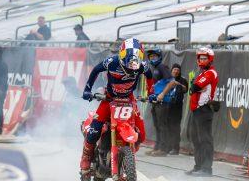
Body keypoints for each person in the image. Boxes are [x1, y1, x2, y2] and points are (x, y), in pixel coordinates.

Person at [80, 38, 153, 173]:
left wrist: (151, 93)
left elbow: (149, 75)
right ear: (122, 55)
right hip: (109, 99)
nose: (132, 64)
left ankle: (126, 157)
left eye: (137, 58)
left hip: (129, 101)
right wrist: (87, 89)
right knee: (94, 130)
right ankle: (86, 155)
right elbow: (96, 70)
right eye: (130, 59)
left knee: (141, 135)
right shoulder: (112, 62)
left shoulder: (143, 65)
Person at [186, 47, 218, 176]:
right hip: (196, 110)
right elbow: (191, 89)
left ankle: (206, 168)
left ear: (210, 59)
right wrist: (194, 87)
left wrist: (194, 87)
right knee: (196, 138)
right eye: (200, 58)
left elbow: (195, 86)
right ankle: (198, 166)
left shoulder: (211, 73)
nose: (202, 60)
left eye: (204, 58)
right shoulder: (201, 73)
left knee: (205, 139)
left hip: (204, 109)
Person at [153, 63, 188, 155]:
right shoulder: (165, 80)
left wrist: (177, 84)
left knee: (175, 127)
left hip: (176, 108)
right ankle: (166, 147)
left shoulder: (182, 80)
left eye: (177, 70)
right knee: (166, 127)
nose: (176, 71)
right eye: (174, 69)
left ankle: (175, 148)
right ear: (171, 70)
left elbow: (185, 90)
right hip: (166, 106)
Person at [145, 48, 171, 157]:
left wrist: (162, 94)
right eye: (150, 57)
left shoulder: (162, 67)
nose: (152, 58)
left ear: (159, 56)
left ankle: (163, 149)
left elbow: (171, 82)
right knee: (157, 125)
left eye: (154, 56)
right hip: (155, 101)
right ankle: (157, 147)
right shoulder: (154, 68)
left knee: (162, 125)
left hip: (163, 102)